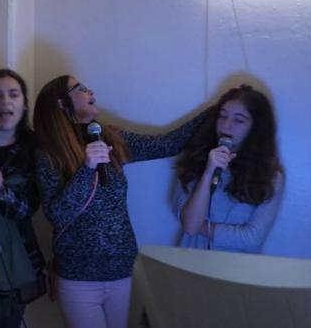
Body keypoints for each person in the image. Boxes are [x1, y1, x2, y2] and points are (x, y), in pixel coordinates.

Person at [33, 75, 207, 328]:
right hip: (78, 280)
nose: (91, 91)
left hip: (123, 272)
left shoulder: (110, 138)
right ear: (61, 103)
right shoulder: (49, 154)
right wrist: (87, 167)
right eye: (81, 88)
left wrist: (216, 109)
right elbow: (57, 215)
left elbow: (167, 144)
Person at [174, 85, 284, 252]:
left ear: (256, 127)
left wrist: (202, 227)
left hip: (236, 266)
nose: (226, 125)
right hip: (189, 262)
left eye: (238, 120)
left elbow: (251, 240)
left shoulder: (270, 177)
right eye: (222, 116)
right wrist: (208, 172)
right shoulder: (192, 160)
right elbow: (190, 226)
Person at [0, 69, 46, 328]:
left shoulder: (36, 149)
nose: (5, 102)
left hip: (16, 262)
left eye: (13, 94)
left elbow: (30, 208)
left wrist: (0, 191)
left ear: (24, 103)